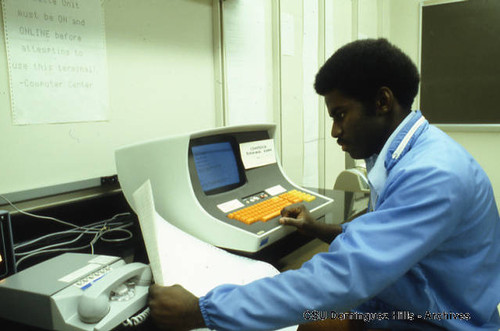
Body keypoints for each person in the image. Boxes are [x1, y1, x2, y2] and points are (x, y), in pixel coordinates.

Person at [148, 38, 500, 330]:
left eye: (340, 114)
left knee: (310, 318)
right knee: (312, 320)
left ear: (382, 101)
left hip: (446, 318)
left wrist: (202, 310)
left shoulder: (433, 174)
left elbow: (345, 276)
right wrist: (319, 228)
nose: (334, 131)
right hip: (421, 299)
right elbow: (384, 234)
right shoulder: (414, 152)